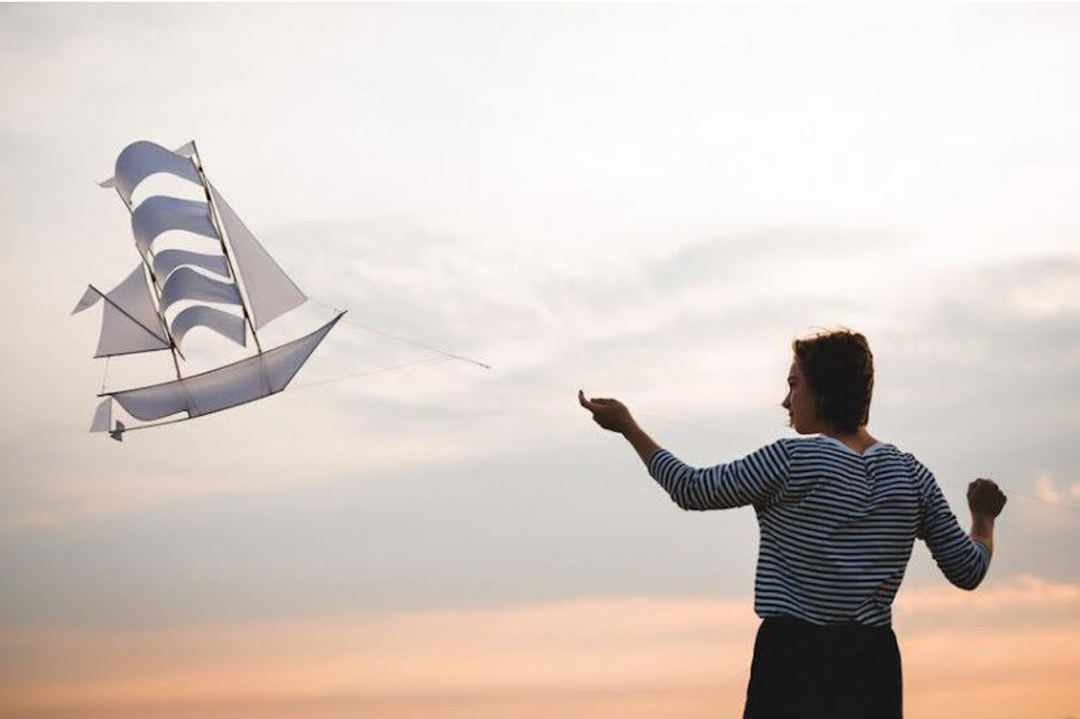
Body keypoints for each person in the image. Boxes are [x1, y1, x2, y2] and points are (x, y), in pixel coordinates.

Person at [578, 328, 1006, 719]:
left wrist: (628, 427)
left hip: (792, 663)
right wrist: (983, 519)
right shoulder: (912, 476)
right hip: (872, 671)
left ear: (823, 390)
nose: (786, 401)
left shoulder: (790, 459)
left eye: (793, 384)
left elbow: (692, 489)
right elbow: (968, 570)